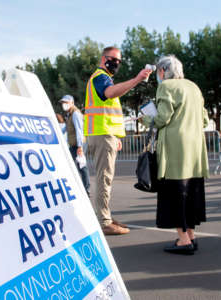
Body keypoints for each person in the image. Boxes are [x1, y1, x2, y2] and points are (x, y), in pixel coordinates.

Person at [141, 55, 209, 255]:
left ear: (162, 71)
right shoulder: (193, 87)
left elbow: (162, 118)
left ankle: (183, 240)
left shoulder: (166, 87)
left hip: (175, 147)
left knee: (174, 192)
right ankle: (191, 235)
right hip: (195, 147)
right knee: (191, 191)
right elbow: (204, 120)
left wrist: (146, 119)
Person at [84, 46, 152, 235]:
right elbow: (110, 93)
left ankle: (105, 215)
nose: (116, 63)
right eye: (113, 59)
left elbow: (108, 109)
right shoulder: (100, 77)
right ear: (103, 58)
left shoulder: (104, 78)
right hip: (102, 134)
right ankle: (104, 221)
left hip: (106, 134)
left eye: (119, 61)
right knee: (103, 178)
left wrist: (116, 136)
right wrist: (138, 79)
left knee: (105, 177)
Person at [58, 95, 91, 197]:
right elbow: (65, 129)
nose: (64, 105)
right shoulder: (69, 114)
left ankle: (86, 189)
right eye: (63, 103)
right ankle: (81, 188)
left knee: (81, 166)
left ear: (72, 102)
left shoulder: (75, 114)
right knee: (75, 166)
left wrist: (80, 147)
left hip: (78, 144)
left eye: (66, 102)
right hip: (73, 145)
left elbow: (79, 130)